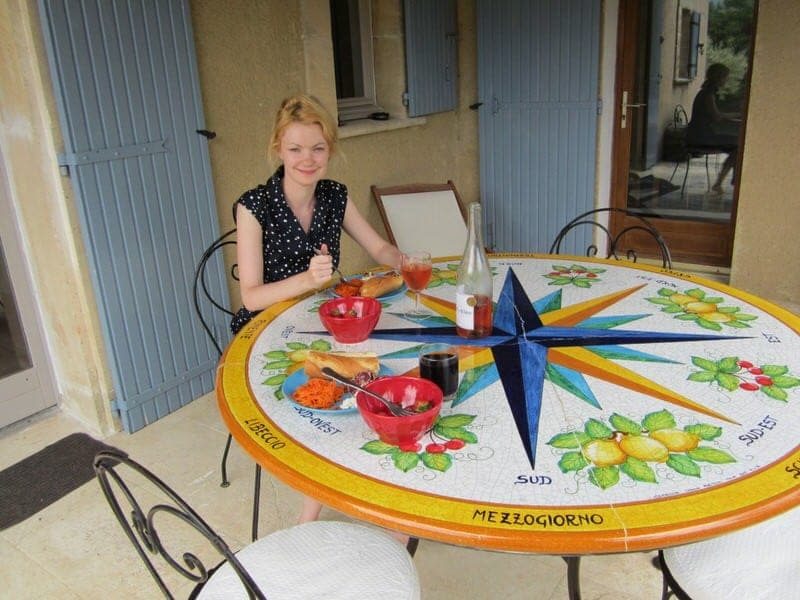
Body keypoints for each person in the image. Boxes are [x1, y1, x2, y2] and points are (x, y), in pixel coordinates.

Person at [231, 94, 402, 523]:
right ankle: (310, 516)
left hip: (327, 320)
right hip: (267, 328)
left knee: (384, 371)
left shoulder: (334, 196)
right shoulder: (253, 206)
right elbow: (250, 296)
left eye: (318, 148)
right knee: (335, 389)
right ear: (277, 149)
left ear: (331, 150)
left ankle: (387, 497)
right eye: (295, 149)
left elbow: (378, 246)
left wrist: (409, 263)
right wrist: (308, 280)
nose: (307, 159)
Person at [687, 63, 741, 193]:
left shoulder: (707, 92)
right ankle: (724, 182)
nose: (726, 80)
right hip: (700, 137)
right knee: (738, 147)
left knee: (738, 144)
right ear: (719, 78)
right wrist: (736, 115)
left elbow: (715, 115)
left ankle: (731, 179)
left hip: (700, 133)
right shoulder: (707, 94)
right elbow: (716, 116)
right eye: (725, 78)